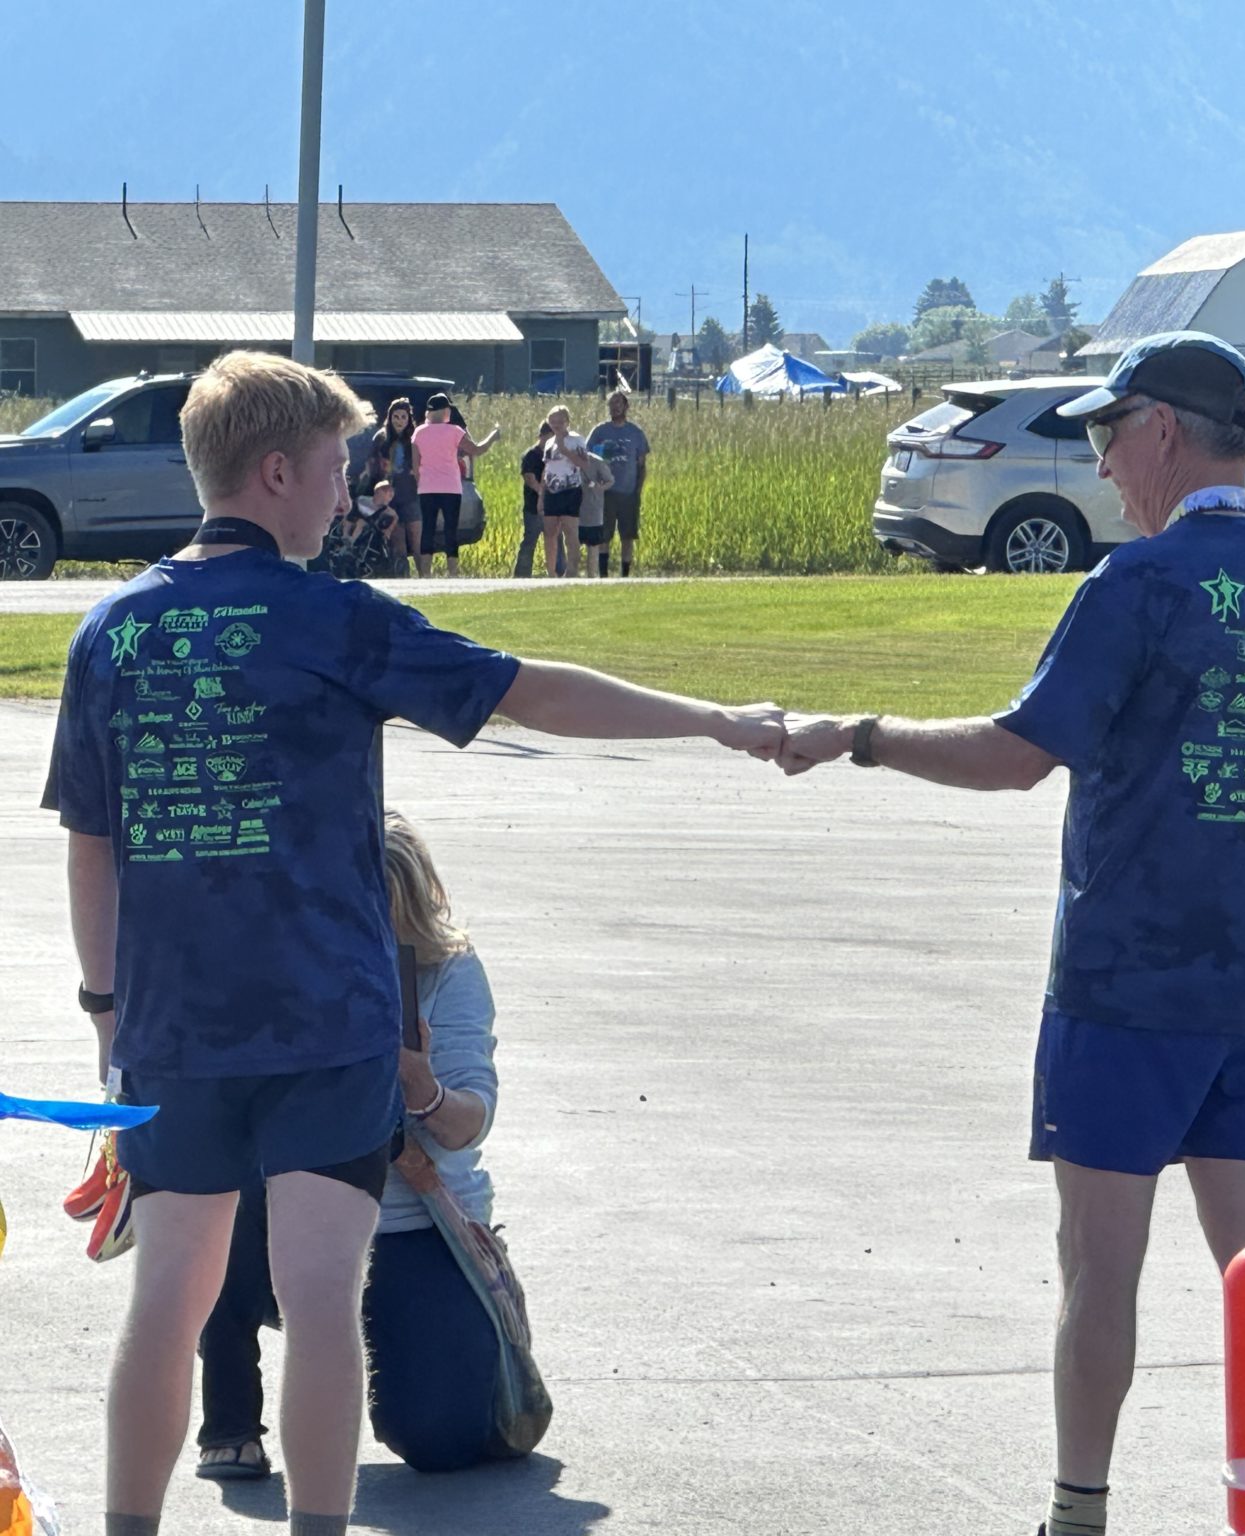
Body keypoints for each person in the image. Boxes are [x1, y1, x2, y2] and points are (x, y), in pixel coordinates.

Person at [44, 350, 781, 1536]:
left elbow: (92, 847)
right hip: (329, 1027)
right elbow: (529, 690)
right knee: (320, 1305)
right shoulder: (334, 618)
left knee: (166, 1302)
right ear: (276, 472)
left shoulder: (112, 631)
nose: (348, 490)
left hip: (175, 1028)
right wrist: (712, 721)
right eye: (335, 468)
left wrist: (104, 1014)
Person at [772, 332, 1245, 1536]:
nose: (1100, 461)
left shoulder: (1135, 584)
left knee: (1100, 1262)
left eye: (1107, 432)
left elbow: (1014, 756)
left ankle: (1076, 1512)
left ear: (1162, 430)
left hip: (1124, 983)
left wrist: (861, 735)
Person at [192, 810, 517, 1478]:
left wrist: (420, 1085)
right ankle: (230, 1420)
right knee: (210, 1194)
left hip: (407, 1220)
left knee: (442, 1440)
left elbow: (468, 1124)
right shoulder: (274, 959)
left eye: (382, 919)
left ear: (412, 909)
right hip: (286, 1202)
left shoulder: (448, 971)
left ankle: (469, 1334)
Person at [413, 393, 498, 579]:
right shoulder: (455, 431)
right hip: (451, 487)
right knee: (450, 529)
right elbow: (476, 449)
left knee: (428, 529)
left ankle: (426, 573)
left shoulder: (418, 432)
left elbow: (415, 465)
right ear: (446, 411)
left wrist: (421, 483)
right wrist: (493, 436)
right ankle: (452, 572)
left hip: (427, 488)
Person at [586, 388, 651, 578]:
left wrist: (637, 491)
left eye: (618, 403)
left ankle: (625, 575)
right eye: (611, 404)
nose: (614, 407)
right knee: (604, 535)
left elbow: (641, 465)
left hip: (628, 492)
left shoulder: (635, 433)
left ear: (626, 406)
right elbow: (588, 459)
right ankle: (604, 575)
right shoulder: (600, 431)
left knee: (627, 536)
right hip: (605, 492)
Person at [367, 400, 421, 577]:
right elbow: (372, 467)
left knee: (417, 541)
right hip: (389, 497)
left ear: (409, 419)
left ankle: (425, 578)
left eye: (403, 417)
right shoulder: (381, 438)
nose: (399, 421)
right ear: (390, 418)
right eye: (396, 417)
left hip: (411, 495)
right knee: (398, 544)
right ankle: (403, 579)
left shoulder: (415, 439)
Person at [538, 407, 587, 581]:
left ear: (567, 421)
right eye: (553, 422)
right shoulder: (549, 443)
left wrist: (565, 450)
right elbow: (547, 469)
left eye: (560, 421)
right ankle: (551, 571)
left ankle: (571, 570)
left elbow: (584, 464)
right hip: (552, 491)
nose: (556, 425)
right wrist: (541, 496)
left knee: (570, 531)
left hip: (570, 489)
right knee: (550, 532)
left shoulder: (576, 440)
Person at [513, 420, 553, 579]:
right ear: (543, 435)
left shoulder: (555, 454)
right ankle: (522, 575)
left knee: (555, 541)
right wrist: (542, 493)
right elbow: (529, 478)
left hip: (552, 509)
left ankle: (558, 572)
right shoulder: (531, 455)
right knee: (530, 541)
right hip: (533, 507)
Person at [576, 443, 616, 578]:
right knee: (573, 545)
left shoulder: (597, 462)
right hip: (573, 511)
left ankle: (591, 577)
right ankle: (573, 575)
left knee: (593, 546)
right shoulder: (567, 461)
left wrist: (599, 487)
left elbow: (610, 480)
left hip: (592, 510)